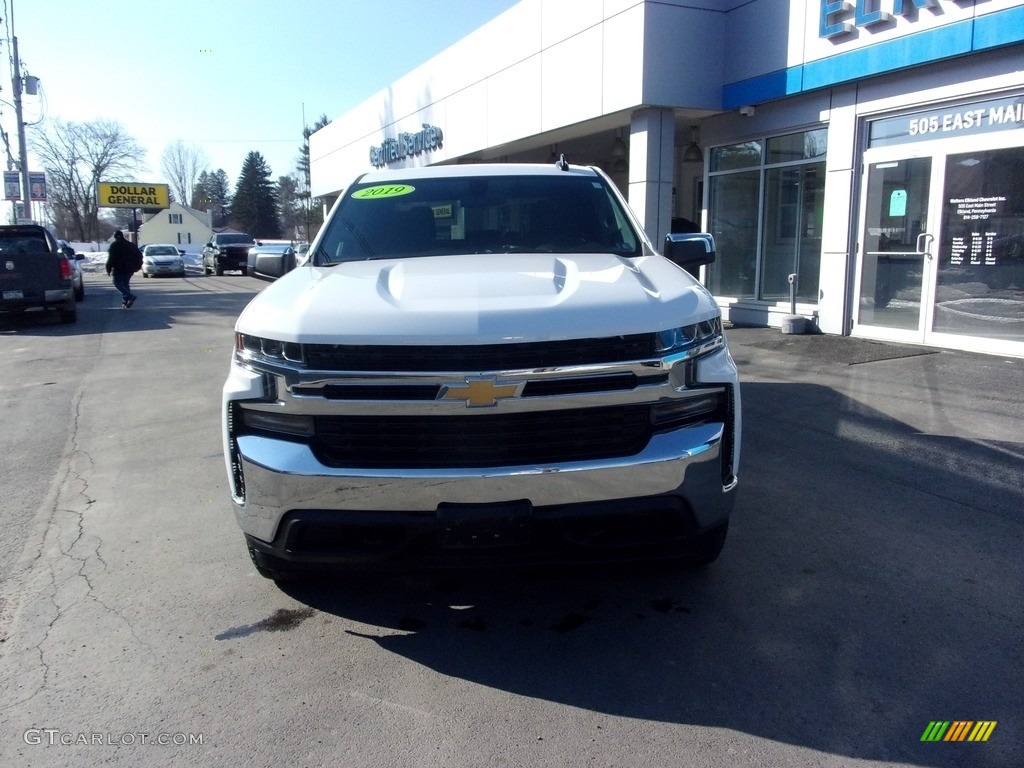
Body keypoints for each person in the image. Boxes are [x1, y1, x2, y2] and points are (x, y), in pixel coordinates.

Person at [106, 230, 142, 308]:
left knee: (117, 283)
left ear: (115, 237)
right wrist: (138, 266)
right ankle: (126, 301)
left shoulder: (114, 245)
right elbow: (139, 255)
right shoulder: (131, 245)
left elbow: (111, 258)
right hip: (130, 268)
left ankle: (129, 296)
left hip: (118, 268)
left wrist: (108, 268)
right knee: (125, 284)